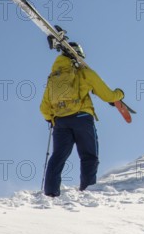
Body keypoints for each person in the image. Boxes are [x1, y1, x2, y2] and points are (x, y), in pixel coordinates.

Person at [40, 42, 124, 197]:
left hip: (60, 122)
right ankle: (87, 190)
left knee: (58, 156)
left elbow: (44, 108)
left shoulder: (53, 78)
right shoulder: (84, 73)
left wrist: (51, 119)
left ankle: (50, 192)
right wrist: (119, 94)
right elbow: (107, 95)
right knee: (89, 155)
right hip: (82, 118)